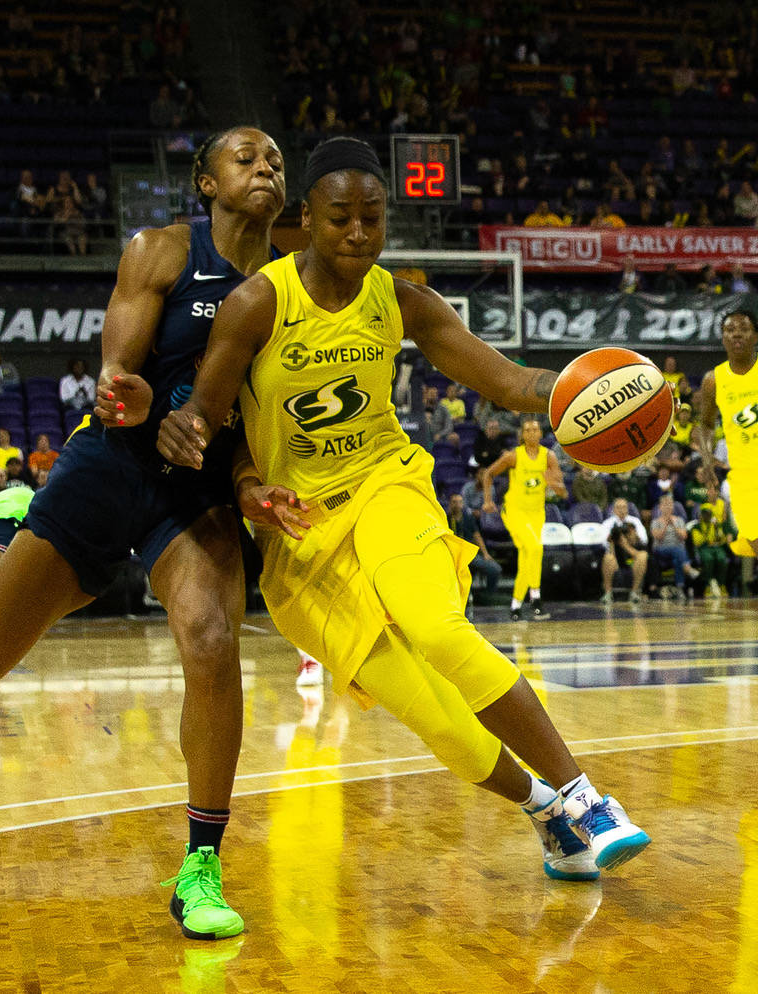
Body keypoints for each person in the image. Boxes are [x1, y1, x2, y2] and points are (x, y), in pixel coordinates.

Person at [156, 136, 650, 891]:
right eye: (339, 218)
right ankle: (548, 815)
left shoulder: (403, 299)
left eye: (372, 218)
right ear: (307, 220)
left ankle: (586, 796)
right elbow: (213, 422)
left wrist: (591, 388)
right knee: (437, 720)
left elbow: (513, 382)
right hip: (300, 540)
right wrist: (250, 489)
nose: (357, 233)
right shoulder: (258, 302)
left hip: (386, 487)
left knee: (436, 626)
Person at [0, 126, 288, 941]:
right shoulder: (160, 251)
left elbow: (265, 421)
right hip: (114, 462)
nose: (265, 167)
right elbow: (116, 381)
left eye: (275, 161)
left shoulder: (291, 290)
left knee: (210, 634)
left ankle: (201, 862)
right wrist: (150, 409)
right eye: (245, 157)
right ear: (205, 181)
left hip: (197, 492)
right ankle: (1, 525)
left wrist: (248, 481)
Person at [697, 310, 758, 654]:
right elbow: (704, 425)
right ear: (722, 337)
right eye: (729, 329)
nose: (735, 334)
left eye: (743, 329)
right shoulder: (714, 380)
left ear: (755, 335)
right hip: (749, 485)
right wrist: (708, 464)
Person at [482, 418, 567, 621]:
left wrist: (552, 484)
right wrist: (487, 500)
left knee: (527, 558)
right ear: (522, 435)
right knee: (536, 548)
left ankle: (516, 606)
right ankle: (536, 599)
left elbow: (563, 493)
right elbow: (488, 474)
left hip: (536, 513)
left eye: (535, 429)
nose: (531, 433)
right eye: (527, 430)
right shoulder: (514, 456)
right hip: (514, 511)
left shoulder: (549, 457)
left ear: (540, 434)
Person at [600, 497, 648, 604]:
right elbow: (603, 542)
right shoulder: (608, 523)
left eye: (624, 507)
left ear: (628, 508)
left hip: (631, 553)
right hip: (615, 553)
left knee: (643, 555)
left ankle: (634, 593)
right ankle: (607, 593)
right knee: (608, 558)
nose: (621, 510)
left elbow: (644, 540)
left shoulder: (635, 521)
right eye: (618, 507)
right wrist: (614, 537)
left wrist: (632, 537)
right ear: (613, 510)